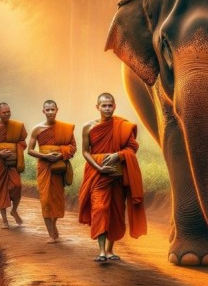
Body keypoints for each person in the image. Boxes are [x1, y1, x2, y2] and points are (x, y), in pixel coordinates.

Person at [78, 92, 146, 262]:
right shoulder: (88, 127)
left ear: (114, 106)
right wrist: (99, 167)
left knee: (116, 212)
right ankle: (101, 251)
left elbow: (132, 147)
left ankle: (110, 250)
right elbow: (85, 152)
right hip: (97, 175)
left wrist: (118, 155)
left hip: (117, 177)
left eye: (110, 105)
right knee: (100, 209)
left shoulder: (122, 126)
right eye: (104, 106)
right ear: (97, 107)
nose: (107, 109)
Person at [28, 99, 76, 243]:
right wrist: (45, 156)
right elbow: (30, 150)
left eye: (52, 109)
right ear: (43, 111)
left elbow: (73, 147)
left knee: (56, 200)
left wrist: (60, 155)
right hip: (44, 166)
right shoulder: (37, 129)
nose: (50, 112)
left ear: (57, 110)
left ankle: (53, 224)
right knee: (46, 200)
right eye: (47, 110)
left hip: (59, 167)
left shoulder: (65, 128)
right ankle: (50, 234)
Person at [0, 102, 27, 229]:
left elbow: (23, 142)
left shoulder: (17, 126)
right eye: (4, 112)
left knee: (17, 186)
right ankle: (4, 220)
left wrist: (15, 149)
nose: (7, 114)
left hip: (13, 162)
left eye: (8, 111)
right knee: (1, 189)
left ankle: (14, 210)